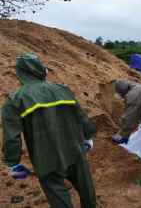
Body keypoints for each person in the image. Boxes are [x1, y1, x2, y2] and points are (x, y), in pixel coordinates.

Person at [1, 53, 97, 208]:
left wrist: (13, 162)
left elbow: (12, 136)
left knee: (58, 197)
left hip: (46, 160)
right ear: (41, 70)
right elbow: (81, 116)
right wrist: (88, 136)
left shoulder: (15, 100)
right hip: (75, 151)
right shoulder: (63, 89)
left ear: (19, 74)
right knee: (87, 191)